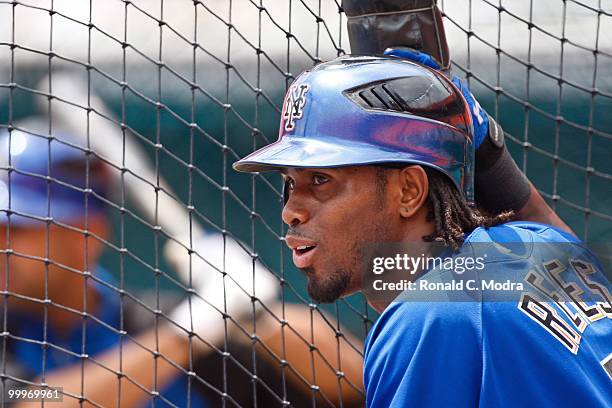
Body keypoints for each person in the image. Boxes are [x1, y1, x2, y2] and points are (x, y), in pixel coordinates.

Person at [233, 54, 612, 406]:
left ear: (410, 191)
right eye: (289, 182)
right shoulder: (542, 245)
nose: (290, 212)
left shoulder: (431, 315)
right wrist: (488, 155)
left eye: (320, 179)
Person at [0, 119, 364, 407]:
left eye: (13, 228)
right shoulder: (181, 331)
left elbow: (357, 381)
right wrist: (182, 338)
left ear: (86, 233)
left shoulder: (152, 320)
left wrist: (260, 316)